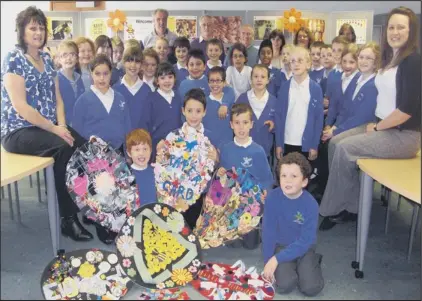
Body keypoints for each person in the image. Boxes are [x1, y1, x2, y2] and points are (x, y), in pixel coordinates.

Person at [318, 6, 421, 231]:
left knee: (345, 149)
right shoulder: (392, 58)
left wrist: (377, 128)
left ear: (411, 30)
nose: (395, 32)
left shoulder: (412, 61)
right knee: (335, 143)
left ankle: (332, 209)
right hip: (383, 125)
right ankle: (352, 203)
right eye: (391, 27)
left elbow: (406, 110)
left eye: (401, 27)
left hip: (403, 134)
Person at [1, 6, 93, 242]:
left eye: (41, 27)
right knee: (63, 148)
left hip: (48, 126)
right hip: (19, 131)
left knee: (84, 147)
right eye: (32, 27)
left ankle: (90, 206)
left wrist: (61, 126)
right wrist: (56, 130)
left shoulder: (46, 59)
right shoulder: (13, 59)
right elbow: (20, 106)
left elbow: (58, 98)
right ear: (22, 31)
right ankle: (67, 218)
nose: (38, 32)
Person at [315, 42, 380, 199]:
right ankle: (330, 190)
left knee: (336, 143)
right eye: (361, 57)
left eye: (368, 58)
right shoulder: (357, 81)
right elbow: (342, 109)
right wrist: (332, 126)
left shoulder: (372, 84)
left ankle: (339, 196)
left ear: (376, 62)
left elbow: (360, 117)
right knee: (327, 142)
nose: (363, 61)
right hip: (347, 124)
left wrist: (335, 130)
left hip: (365, 127)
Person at [262, 152, 324, 296]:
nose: (287, 181)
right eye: (284, 176)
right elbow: (268, 232)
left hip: (304, 247)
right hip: (281, 246)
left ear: (304, 181)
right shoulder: (272, 198)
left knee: (311, 288)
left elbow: (306, 240)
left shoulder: (311, 205)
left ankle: (312, 260)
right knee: (284, 285)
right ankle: (295, 266)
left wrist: (277, 259)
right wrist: (268, 261)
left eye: (294, 176)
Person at [157, 88, 219, 228]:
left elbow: (213, 169)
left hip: (197, 194)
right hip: (176, 192)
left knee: (193, 228)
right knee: (176, 228)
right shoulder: (173, 136)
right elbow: (165, 164)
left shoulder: (209, 137)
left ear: (204, 112)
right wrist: (161, 154)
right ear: (183, 111)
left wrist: (216, 159)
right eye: (189, 110)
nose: (193, 115)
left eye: (198, 111)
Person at [217, 103, 274, 249]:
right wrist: (220, 173)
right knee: (232, 245)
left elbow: (267, 178)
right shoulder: (226, 149)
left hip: (251, 203)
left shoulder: (258, 151)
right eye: (237, 123)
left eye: (245, 122)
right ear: (231, 125)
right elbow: (222, 178)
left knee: (251, 245)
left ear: (251, 125)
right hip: (232, 203)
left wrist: (265, 192)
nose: (241, 127)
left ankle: (256, 229)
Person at [275, 46, 324, 163]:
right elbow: (278, 116)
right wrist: (279, 143)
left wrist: (314, 145)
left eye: (300, 60)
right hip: (287, 141)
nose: (296, 64)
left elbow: (318, 119)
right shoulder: (284, 87)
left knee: (303, 176)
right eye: (293, 61)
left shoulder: (315, 89)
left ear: (308, 64)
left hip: (306, 144)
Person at [144, 62, 182, 160]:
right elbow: (145, 125)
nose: (167, 81)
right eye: (162, 78)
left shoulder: (178, 98)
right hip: (157, 146)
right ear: (157, 81)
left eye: (170, 77)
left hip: (177, 146)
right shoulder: (150, 99)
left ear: (175, 79)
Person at [237, 64, 277, 158]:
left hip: (265, 151)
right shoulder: (242, 99)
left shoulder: (274, 101)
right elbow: (234, 122)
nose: (259, 79)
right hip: (244, 149)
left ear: (268, 80)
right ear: (251, 79)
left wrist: (274, 126)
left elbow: (279, 124)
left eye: (263, 77)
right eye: (255, 76)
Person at [113, 47, 152, 131]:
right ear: (123, 62)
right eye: (129, 61)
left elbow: (150, 120)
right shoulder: (115, 90)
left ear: (141, 65)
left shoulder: (147, 90)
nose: (133, 65)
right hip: (121, 141)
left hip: (142, 141)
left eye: (137, 61)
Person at [325, 43, 361, 129]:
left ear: (358, 62)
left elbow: (348, 111)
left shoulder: (359, 81)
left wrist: (334, 128)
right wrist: (327, 125)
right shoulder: (339, 79)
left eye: (351, 62)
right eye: (344, 61)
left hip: (349, 124)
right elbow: (333, 106)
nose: (347, 65)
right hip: (336, 123)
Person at [203, 66, 236, 148]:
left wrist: (225, 104)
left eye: (218, 80)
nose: (215, 84)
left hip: (228, 145)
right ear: (208, 83)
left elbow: (230, 90)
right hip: (210, 147)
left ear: (224, 82)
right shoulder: (204, 103)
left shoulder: (230, 100)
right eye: (212, 81)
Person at [56, 40, 85, 126]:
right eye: (64, 55)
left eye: (72, 54)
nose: (68, 58)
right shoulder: (56, 79)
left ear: (77, 58)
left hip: (79, 124)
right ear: (59, 59)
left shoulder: (79, 78)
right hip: (63, 125)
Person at [126, 129, 157, 205]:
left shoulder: (157, 172)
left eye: (145, 149)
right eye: (137, 149)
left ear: (150, 150)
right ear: (129, 153)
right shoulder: (126, 176)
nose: (141, 153)